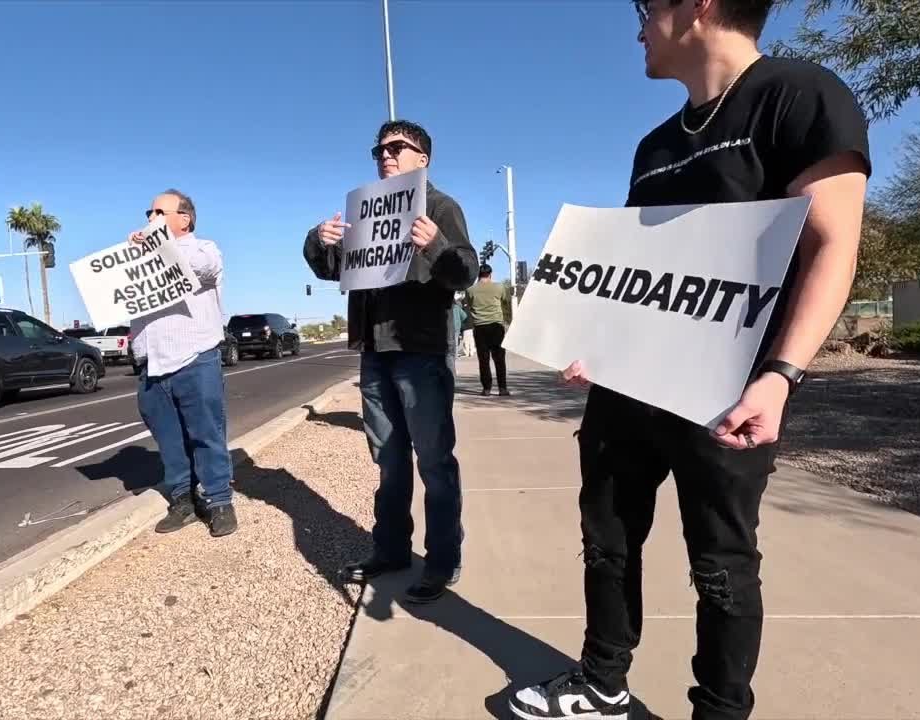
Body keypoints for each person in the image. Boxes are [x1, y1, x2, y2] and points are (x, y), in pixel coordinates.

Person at [510, 1, 870, 718]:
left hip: (728, 391)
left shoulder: (799, 95)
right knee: (606, 540)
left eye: (646, 9)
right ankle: (603, 681)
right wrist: (589, 343)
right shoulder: (655, 146)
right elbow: (635, 276)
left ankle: (720, 709)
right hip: (626, 388)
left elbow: (833, 245)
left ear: (698, 7)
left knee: (721, 567)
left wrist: (781, 375)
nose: (638, 27)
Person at [303, 119, 479, 604]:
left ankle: (442, 560)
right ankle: (391, 549)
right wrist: (321, 239)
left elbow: (466, 271)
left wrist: (437, 245)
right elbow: (329, 269)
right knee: (388, 462)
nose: (386, 155)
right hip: (375, 354)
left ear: (423, 158)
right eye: (379, 149)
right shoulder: (365, 213)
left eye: (397, 148)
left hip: (421, 353)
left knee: (435, 462)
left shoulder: (441, 207)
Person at [129, 189, 237, 538]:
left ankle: (219, 501)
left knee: (206, 433)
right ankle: (182, 500)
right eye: (149, 212)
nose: (151, 219)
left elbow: (205, 269)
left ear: (184, 218)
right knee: (169, 440)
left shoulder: (203, 249)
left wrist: (159, 245)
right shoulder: (138, 257)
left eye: (159, 212)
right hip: (153, 364)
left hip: (195, 357)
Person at [465, 263, 512, 397]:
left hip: (480, 327)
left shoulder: (470, 290)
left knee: (483, 360)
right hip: (496, 327)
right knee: (499, 359)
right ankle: (502, 388)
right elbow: (505, 300)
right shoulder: (499, 287)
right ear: (490, 274)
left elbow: (469, 304)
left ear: (478, 275)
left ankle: (486, 388)